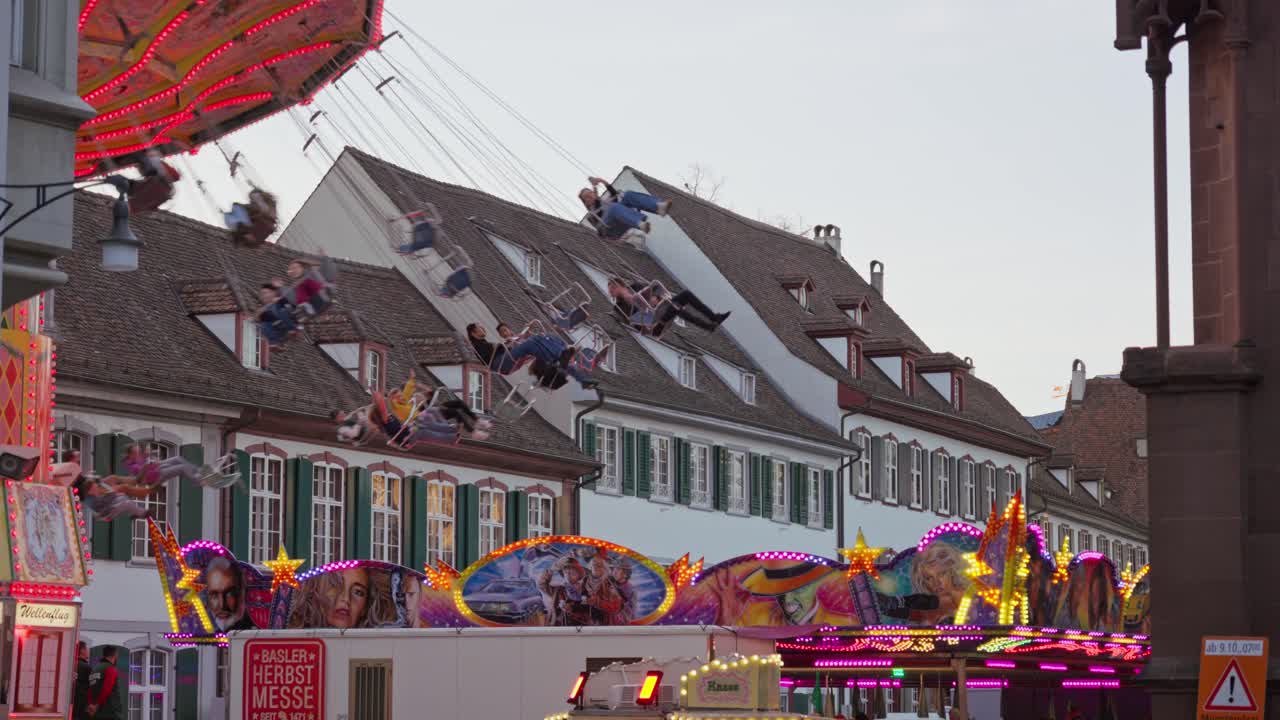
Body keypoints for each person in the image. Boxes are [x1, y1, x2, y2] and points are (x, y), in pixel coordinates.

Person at [607, 276, 728, 333]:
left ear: (619, 286)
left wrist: (657, 297)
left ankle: (713, 318)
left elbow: (656, 288)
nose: (610, 293)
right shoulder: (619, 306)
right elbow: (631, 321)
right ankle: (708, 326)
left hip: (661, 308)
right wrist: (633, 302)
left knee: (685, 295)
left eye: (612, 289)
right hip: (652, 321)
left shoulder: (636, 286)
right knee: (675, 307)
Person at [578, 176, 671, 240]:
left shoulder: (606, 203)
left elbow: (613, 193)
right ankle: (640, 224)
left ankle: (658, 206)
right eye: (587, 196)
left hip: (621, 217)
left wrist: (602, 181)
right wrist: (594, 187)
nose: (590, 196)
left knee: (628, 195)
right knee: (614, 207)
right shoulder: (592, 212)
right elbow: (596, 202)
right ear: (585, 202)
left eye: (590, 193)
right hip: (611, 229)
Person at [122, 443, 229, 489]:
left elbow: (148, 459)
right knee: (182, 468)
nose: (138, 453)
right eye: (136, 452)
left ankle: (201, 471)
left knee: (178, 459)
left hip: (158, 468)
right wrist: (150, 463)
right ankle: (199, 480)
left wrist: (152, 456)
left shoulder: (138, 457)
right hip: (156, 477)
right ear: (131, 454)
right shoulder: (132, 466)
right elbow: (142, 474)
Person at [204, 556, 256, 632]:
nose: (222, 605)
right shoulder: (207, 635)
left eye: (229, 593)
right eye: (214, 595)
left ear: (243, 593)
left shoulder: (254, 633)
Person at [72, 472, 152, 521]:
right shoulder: (91, 500)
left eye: (96, 485)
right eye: (94, 487)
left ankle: (136, 512)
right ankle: (143, 513)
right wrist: (112, 494)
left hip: (110, 504)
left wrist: (112, 492)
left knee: (123, 497)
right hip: (107, 512)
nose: (96, 487)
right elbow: (102, 508)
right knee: (125, 502)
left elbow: (109, 493)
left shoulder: (94, 487)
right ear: (89, 491)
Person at [255, 283, 299, 349]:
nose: (264, 296)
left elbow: (292, 306)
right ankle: (274, 342)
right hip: (279, 327)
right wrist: (259, 316)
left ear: (273, 293)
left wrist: (280, 300)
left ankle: (292, 330)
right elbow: (263, 321)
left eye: (266, 293)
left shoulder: (280, 300)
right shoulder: (265, 309)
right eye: (262, 294)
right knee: (263, 325)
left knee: (282, 311)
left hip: (289, 321)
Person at [87, 646, 123, 720]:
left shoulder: (95, 669)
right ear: (115, 655)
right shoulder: (110, 668)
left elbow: (90, 689)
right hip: (110, 712)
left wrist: (91, 705)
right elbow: (107, 689)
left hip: (96, 713)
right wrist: (97, 705)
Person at [72, 641, 92, 720]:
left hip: (72, 707)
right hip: (83, 707)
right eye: (87, 649)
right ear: (82, 650)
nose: (88, 651)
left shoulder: (71, 665)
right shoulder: (86, 668)